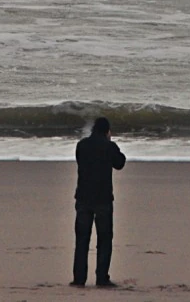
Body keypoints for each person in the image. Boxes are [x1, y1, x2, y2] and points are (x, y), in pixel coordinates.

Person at [71, 116, 126, 288]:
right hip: (103, 198)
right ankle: (102, 278)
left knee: (82, 240)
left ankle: (79, 279)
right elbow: (120, 163)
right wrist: (111, 144)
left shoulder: (82, 145)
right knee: (104, 239)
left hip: (83, 197)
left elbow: (80, 160)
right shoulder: (109, 146)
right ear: (107, 131)